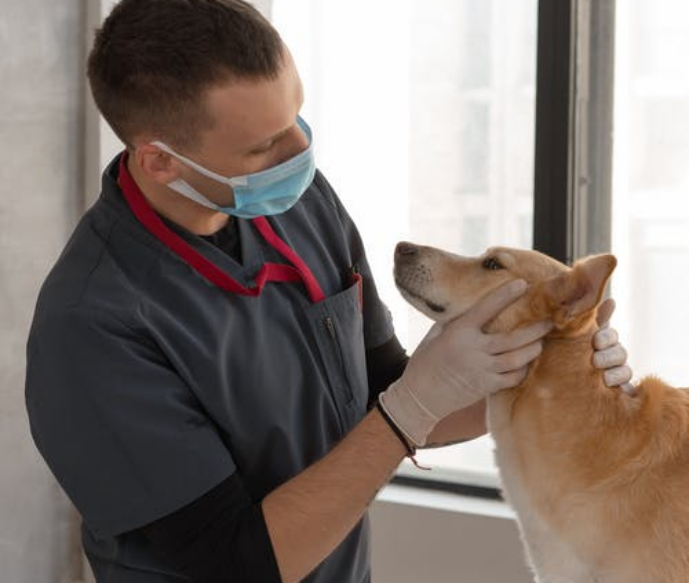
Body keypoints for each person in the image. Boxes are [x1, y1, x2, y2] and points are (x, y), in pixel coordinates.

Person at [24, 1, 633, 582]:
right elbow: (239, 565)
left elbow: (380, 388)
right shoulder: (92, 328)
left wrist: (546, 372)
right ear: (162, 162)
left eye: (295, 119)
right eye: (264, 145)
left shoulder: (298, 204)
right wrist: (411, 408)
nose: (299, 154)